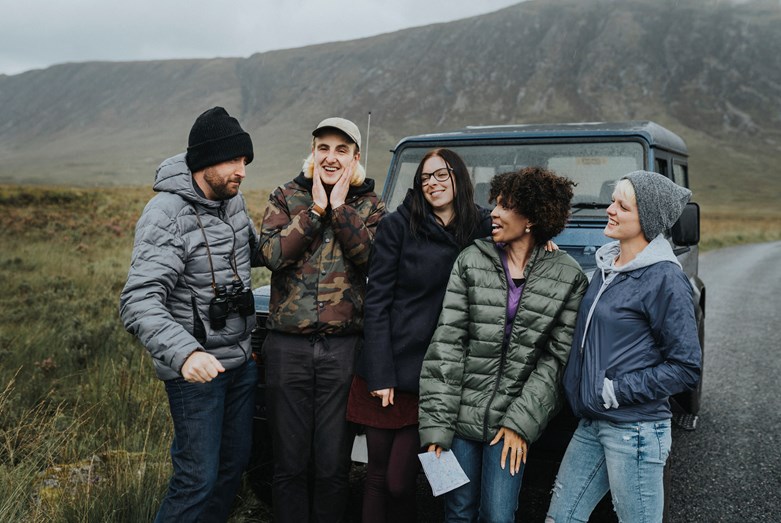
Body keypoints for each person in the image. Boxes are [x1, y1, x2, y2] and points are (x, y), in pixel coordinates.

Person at [418, 166, 589, 523]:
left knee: (498, 515)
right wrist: (436, 425)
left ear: (532, 218)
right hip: (460, 414)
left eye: (505, 206)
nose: (493, 213)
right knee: (458, 512)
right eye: (494, 204)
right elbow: (447, 345)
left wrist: (520, 424)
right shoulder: (471, 260)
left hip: (512, 421)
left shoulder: (568, 276)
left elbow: (556, 360)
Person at [119, 106, 260, 522]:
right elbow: (139, 299)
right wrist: (186, 355)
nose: (243, 171)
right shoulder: (165, 214)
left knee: (231, 470)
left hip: (239, 362)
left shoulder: (234, 203)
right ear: (205, 161)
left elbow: (258, 253)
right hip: (196, 373)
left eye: (246, 162)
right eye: (234, 160)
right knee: (196, 479)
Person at [345, 148, 492, 522]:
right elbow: (376, 301)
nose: (433, 184)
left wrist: (542, 240)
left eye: (441, 175)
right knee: (378, 476)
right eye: (426, 177)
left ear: (459, 177)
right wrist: (380, 372)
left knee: (401, 479)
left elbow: (519, 230)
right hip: (388, 369)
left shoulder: (479, 226)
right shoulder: (399, 225)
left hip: (435, 376)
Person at [545, 171, 702, 523]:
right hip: (593, 421)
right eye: (613, 201)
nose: (609, 210)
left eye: (622, 205)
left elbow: (686, 365)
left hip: (636, 430)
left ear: (647, 219)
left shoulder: (664, 278)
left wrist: (615, 390)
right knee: (561, 518)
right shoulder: (607, 267)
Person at [258, 117, 386, 522]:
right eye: (324, 148)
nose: (331, 157)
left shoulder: (371, 205)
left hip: (342, 349)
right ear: (313, 152)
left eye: (341, 149)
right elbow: (272, 256)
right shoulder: (285, 196)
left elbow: (375, 261)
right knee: (289, 464)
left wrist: (341, 209)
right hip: (287, 348)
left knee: (333, 465)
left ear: (356, 157)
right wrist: (315, 210)